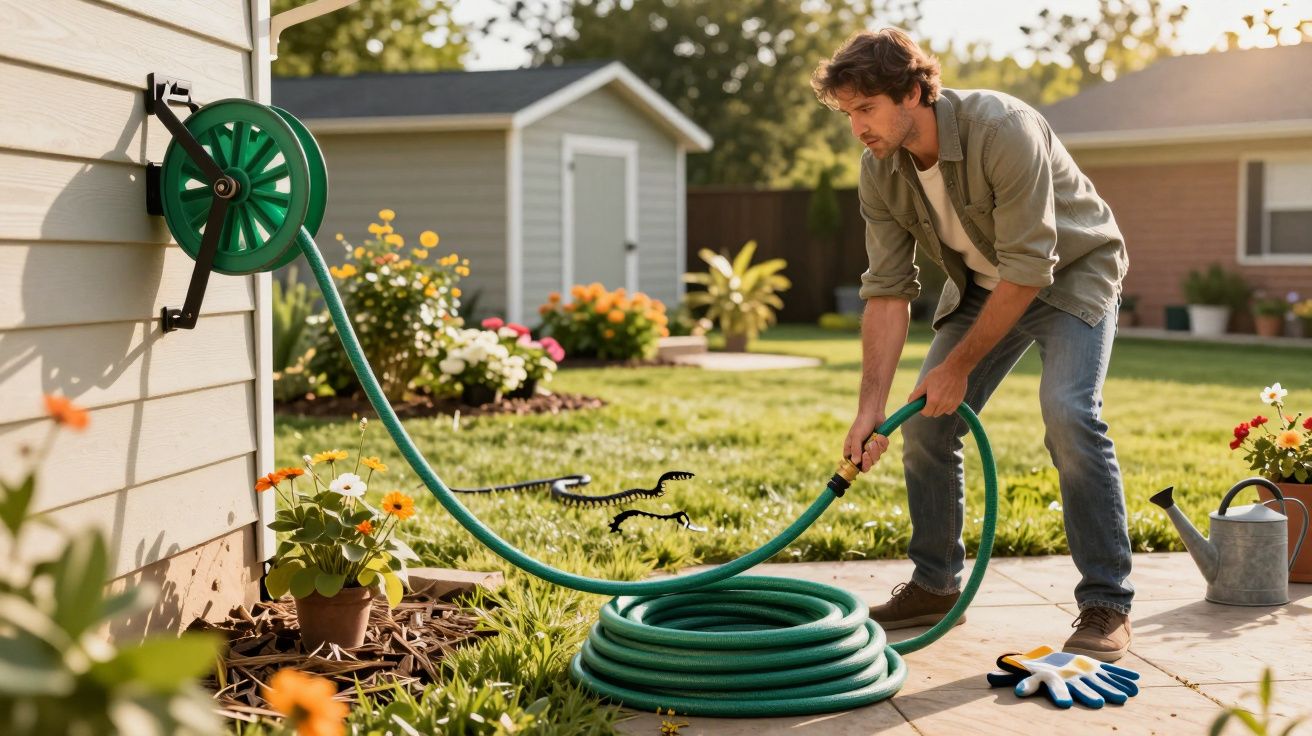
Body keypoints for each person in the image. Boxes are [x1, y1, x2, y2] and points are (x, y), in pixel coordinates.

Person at [810, 28, 1134, 662]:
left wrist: (958, 367)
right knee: (926, 424)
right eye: (847, 113)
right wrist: (869, 407)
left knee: (1069, 413)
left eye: (866, 108)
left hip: (1072, 275)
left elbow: (1031, 267)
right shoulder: (880, 169)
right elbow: (886, 291)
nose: (857, 128)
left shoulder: (1002, 128)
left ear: (912, 92)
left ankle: (1107, 602)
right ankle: (935, 586)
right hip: (987, 287)